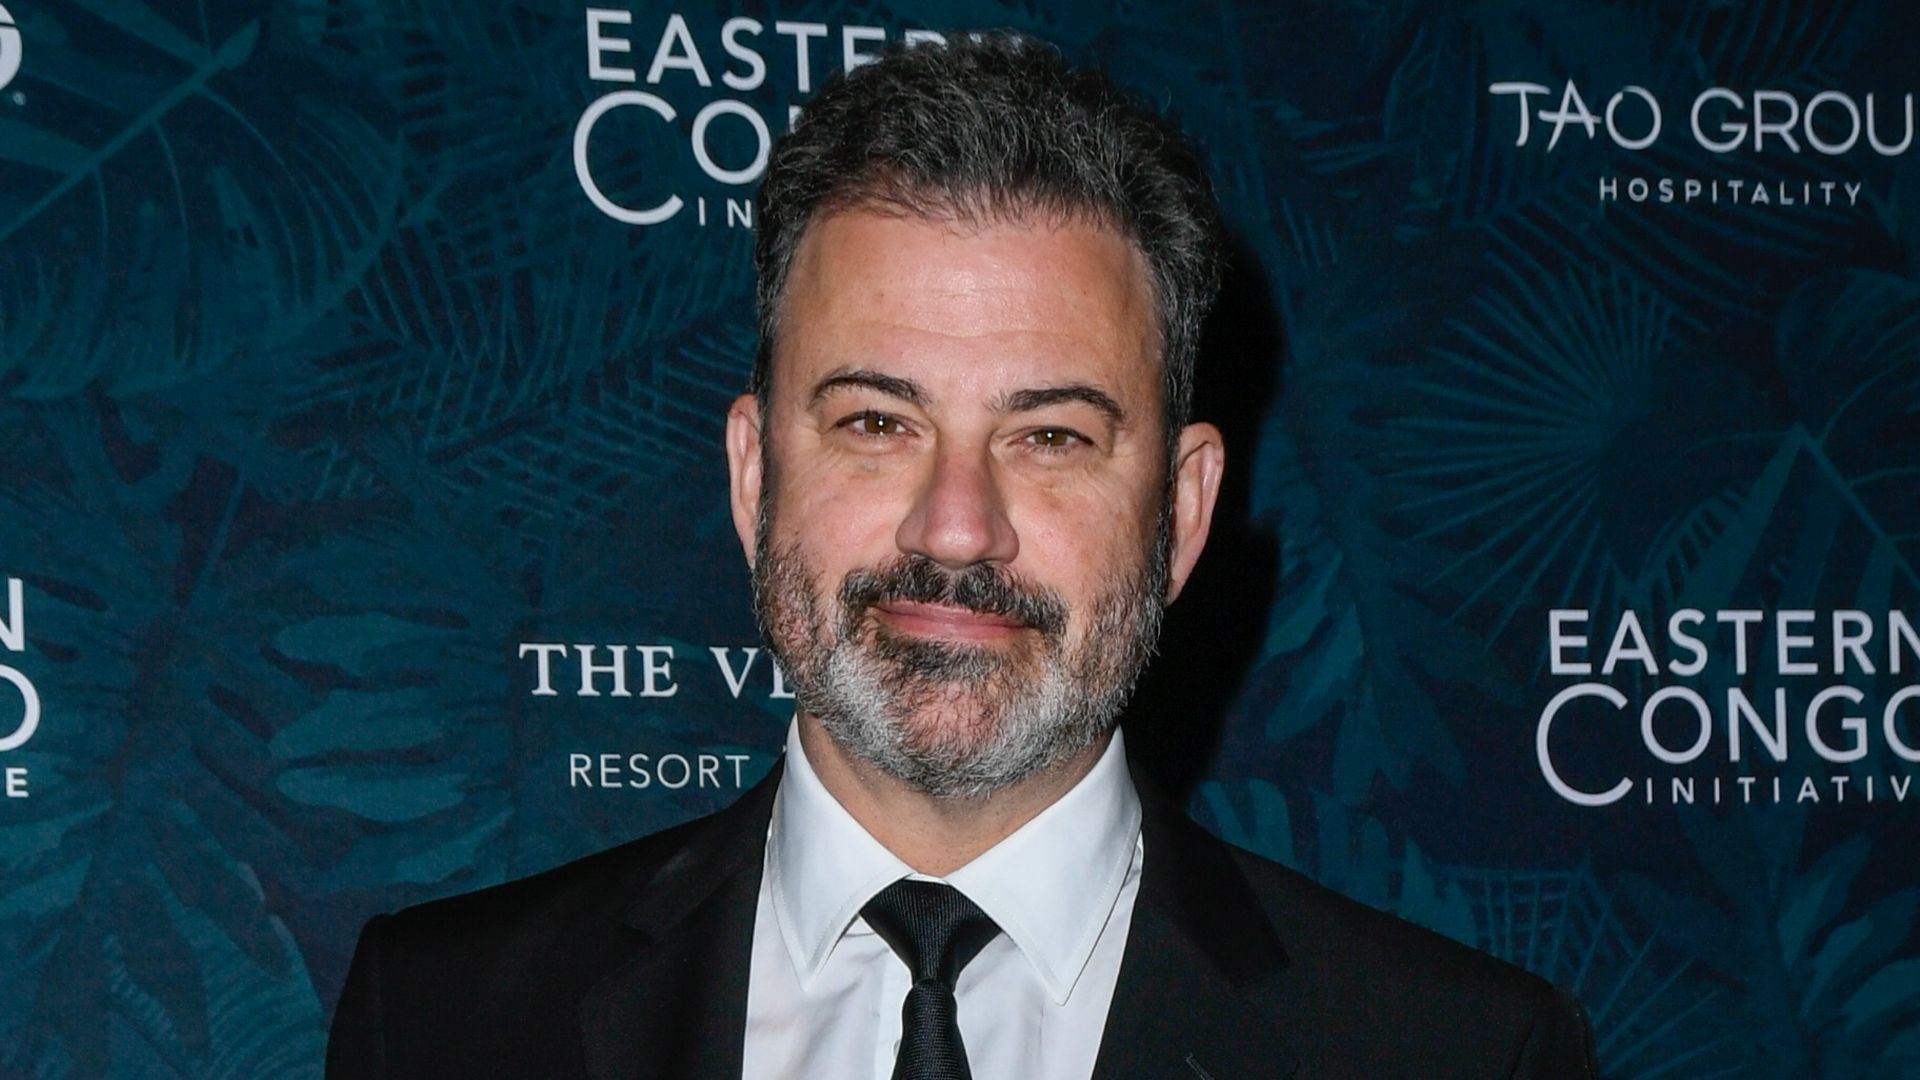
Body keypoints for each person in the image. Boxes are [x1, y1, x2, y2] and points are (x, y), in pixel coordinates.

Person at [326, 33, 1597, 1080]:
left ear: (1182, 510)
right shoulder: (441, 1024)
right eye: (877, 423)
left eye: (1050, 436)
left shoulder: (1459, 1056)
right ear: (756, 475)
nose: (955, 526)